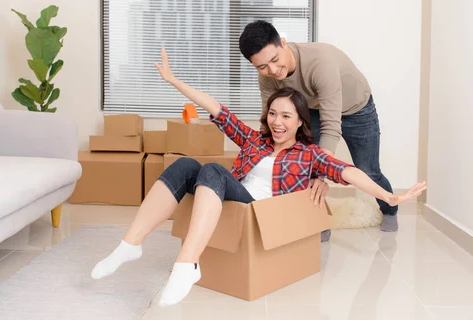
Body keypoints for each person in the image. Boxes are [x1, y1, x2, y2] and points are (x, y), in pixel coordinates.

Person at [90, 48, 426, 307]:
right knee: (184, 165)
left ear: (299, 122)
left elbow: (348, 172)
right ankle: (129, 245)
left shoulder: (309, 154)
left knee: (212, 170)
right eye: (273, 114)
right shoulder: (255, 140)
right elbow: (218, 110)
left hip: (259, 212)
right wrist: (175, 81)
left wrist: (388, 197)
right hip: (231, 199)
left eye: (286, 116)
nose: (277, 122)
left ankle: (187, 264)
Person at [239, 20, 400, 233]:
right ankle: (317, 222)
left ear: (284, 43)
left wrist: (323, 174)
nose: (273, 70)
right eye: (262, 66)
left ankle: (389, 210)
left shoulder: (320, 63)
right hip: (313, 108)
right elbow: (269, 120)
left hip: (357, 108)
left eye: (275, 60)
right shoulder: (267, 77)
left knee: (368, 170)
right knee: (302, 166)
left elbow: (331, 126)